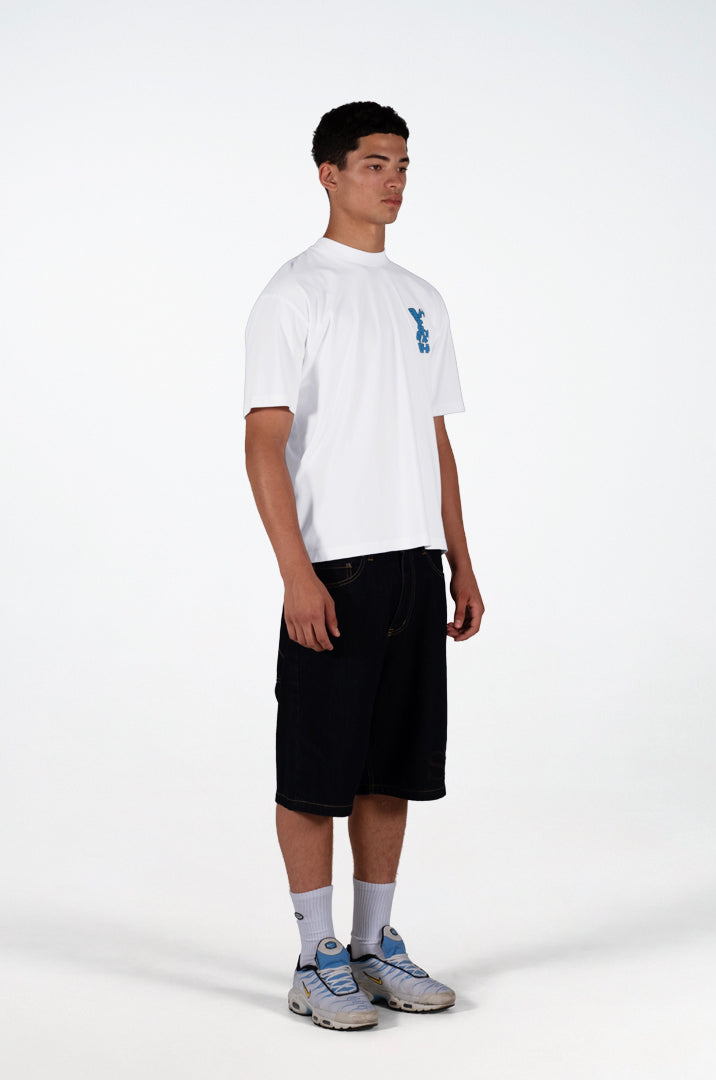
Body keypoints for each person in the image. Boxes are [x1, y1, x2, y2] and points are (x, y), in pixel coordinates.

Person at [243, 101, 484, 1031]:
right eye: (375, 163)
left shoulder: (422, 297)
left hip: (413, 566)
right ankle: (316, 958)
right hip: (336, 570)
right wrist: (295, 573)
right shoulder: (294, 294)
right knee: (315, 772)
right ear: (330, 173)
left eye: (403, 164)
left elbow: (434, 438)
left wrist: (459, 558)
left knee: (391, 771)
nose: (393, 180)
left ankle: (375, 945)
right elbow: (264, 442)